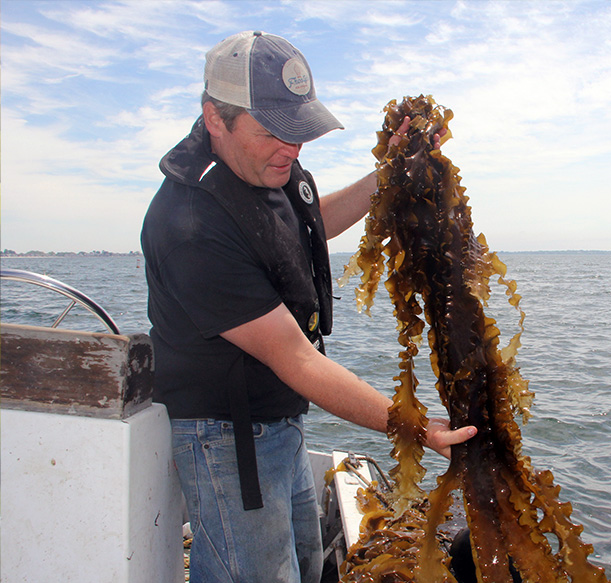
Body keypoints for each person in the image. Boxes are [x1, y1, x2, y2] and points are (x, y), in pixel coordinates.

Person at [140, 30, 476, 583]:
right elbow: (297, 359)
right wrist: (414, 428)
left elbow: (306, 224)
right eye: (273, 131)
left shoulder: (263, 168)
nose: (292, 149)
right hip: (228, 439)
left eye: (299, 132)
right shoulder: (190, 225)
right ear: (214, 119)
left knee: (300, 565)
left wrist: (387, 174)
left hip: (279, 420)